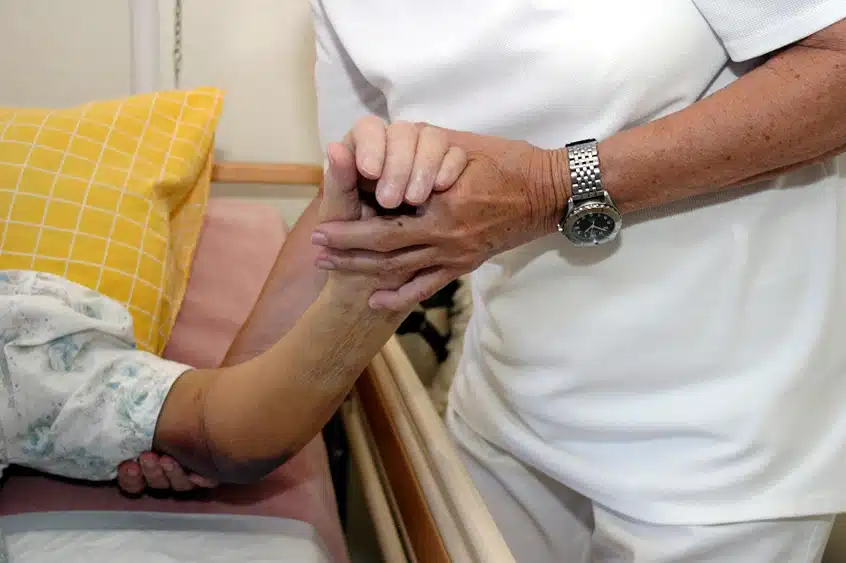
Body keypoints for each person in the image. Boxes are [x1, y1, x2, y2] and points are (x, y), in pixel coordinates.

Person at [300, 2, 846, 562]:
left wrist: (553, 187)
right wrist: (216, 411)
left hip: (723, 428)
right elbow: (350, 205)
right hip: (508, 393)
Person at [0, 132, 466, 559]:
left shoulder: (22, 343)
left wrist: (361, 262)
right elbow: (220, 431)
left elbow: (222, 429)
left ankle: (363, 237)